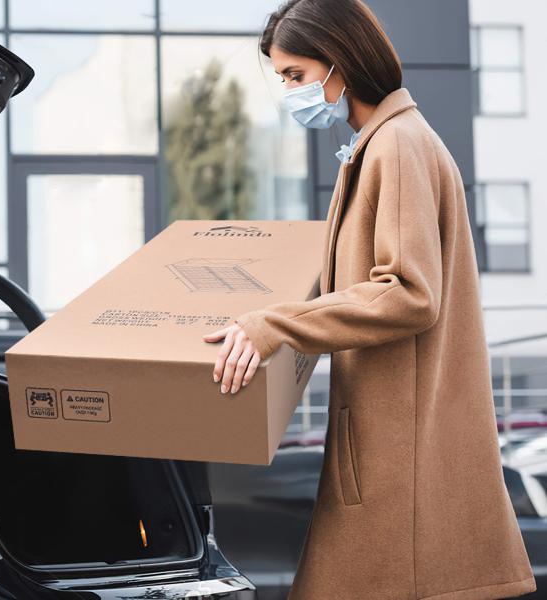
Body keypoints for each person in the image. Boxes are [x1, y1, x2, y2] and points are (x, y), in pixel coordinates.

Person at [200, 0, 537, 598]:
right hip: (389, 438)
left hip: (397, 451)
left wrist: (274, 325)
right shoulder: (383, 142)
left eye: (294, 75)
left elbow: (409, 293)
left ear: (340, 64)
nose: (288, 93)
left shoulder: (397, 145)